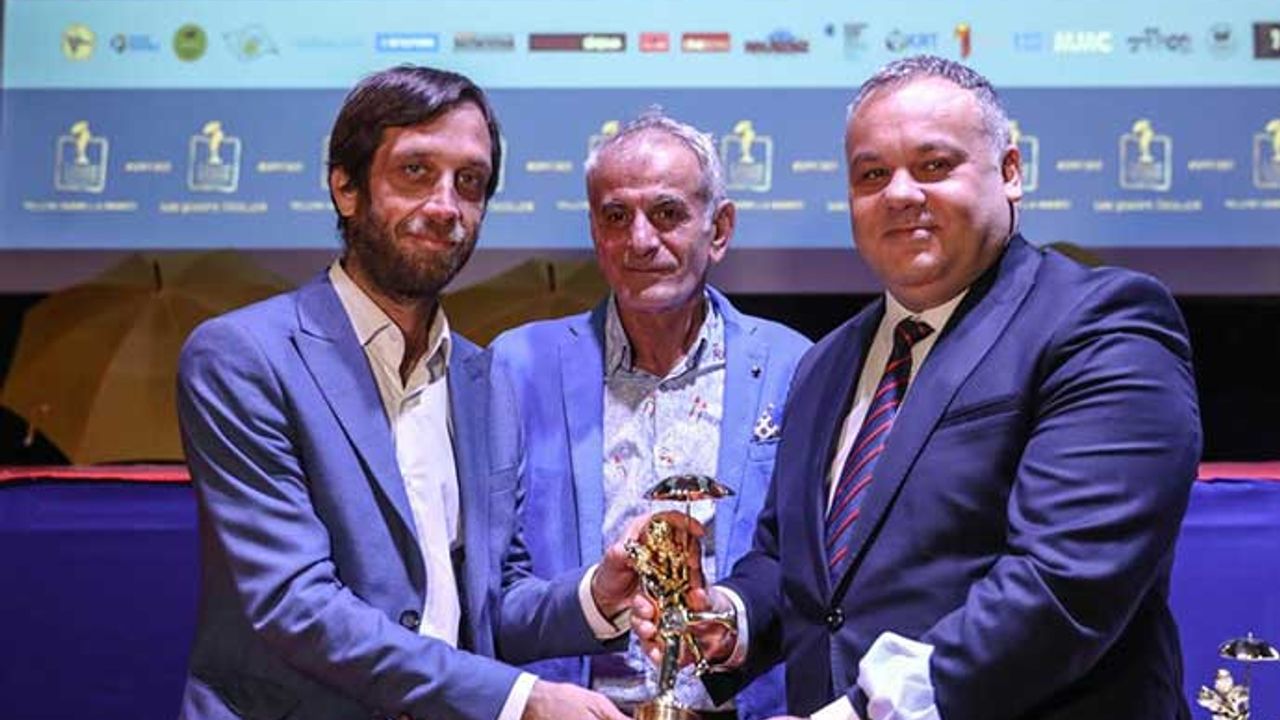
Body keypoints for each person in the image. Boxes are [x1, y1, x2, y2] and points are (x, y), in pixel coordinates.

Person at [635, 55, 1201, 720]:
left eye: (934, 165)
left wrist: (859, 713)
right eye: (872, 174)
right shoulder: (824, 364)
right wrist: (731, 621)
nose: (900, 194)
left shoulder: (1101, 322)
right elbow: (793, 567)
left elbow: (1065, 583)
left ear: (1010, 173)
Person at [176, 65, 638, 720]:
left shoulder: (485, 381)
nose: (446, 206)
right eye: (416, 171)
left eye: (470, 182)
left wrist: (599, 596)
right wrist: (520, 700)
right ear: (345, 187)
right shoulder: (243, 357)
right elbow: (295, 605)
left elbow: (489, 604)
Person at [489, 111, 810, 718]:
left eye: (667, 214)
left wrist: (731, 619)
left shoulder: (795, 366)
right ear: (594, 231)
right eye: (616, 216)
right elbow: (489, 592)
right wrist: (593, 598)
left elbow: (813, 570)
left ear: (719, 229)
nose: (639, 240)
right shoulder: (518, 367)